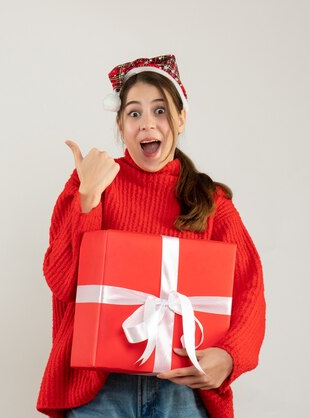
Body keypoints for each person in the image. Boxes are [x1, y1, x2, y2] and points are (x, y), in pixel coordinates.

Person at [36, 55, 266, 418]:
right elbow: (64, 283)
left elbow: (250, 285)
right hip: (100, 389)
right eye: (134, 113)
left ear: (181, 118)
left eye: (160, 111)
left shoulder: (210, 202)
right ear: (120, 123)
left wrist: (231, 355)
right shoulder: (90, 183)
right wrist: (88, 197)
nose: (147, 124)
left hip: (182, 390)